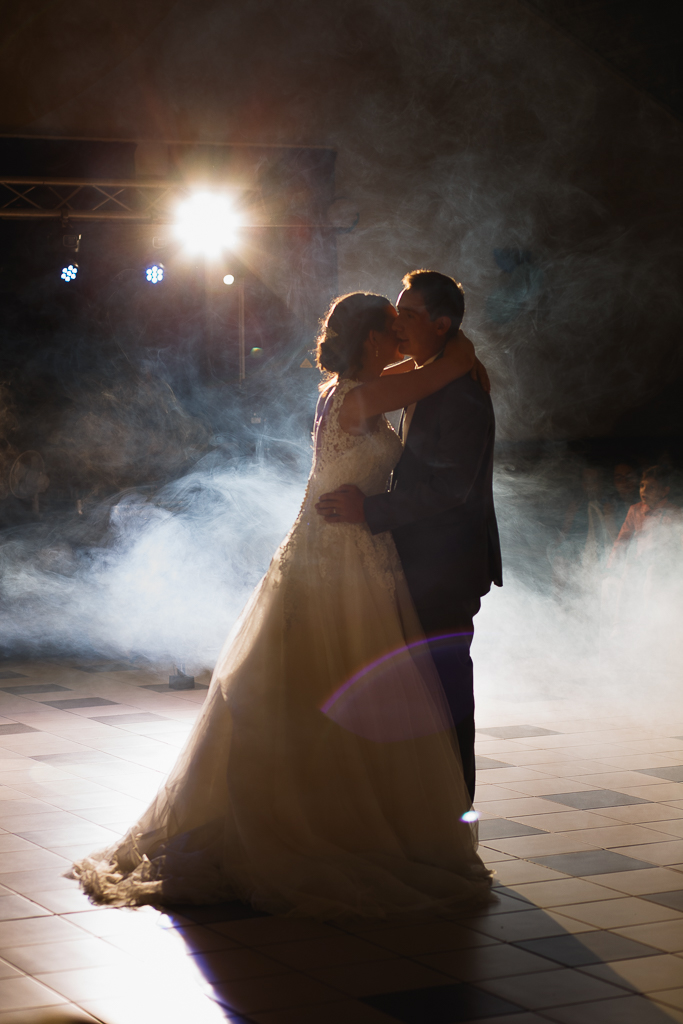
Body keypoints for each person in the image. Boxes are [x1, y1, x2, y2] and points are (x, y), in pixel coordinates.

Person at [71, 291, 492, 917]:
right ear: (372, 339)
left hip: (347, 549)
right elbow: (442, 371)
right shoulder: (360, 397)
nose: (401, 339)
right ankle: (324, 822)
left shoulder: (344, 390)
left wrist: (432, 346)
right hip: (340, 551)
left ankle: (343, 812)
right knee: (332, 681)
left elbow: (417, 376)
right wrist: (458, 344)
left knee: (334, 682)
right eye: (392, 327)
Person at [316, 271, 502, 801]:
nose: (400, 327)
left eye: (410, 317)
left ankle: (454, 811)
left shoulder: (460, 395)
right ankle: (414, 808)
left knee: (445, 696)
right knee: (409, 698)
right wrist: (459, 351)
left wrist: (370, 510)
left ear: (441, 324)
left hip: (442, 569)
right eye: (394, 317)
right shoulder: (418, 379)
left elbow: (449, 489)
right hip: (398, 560)